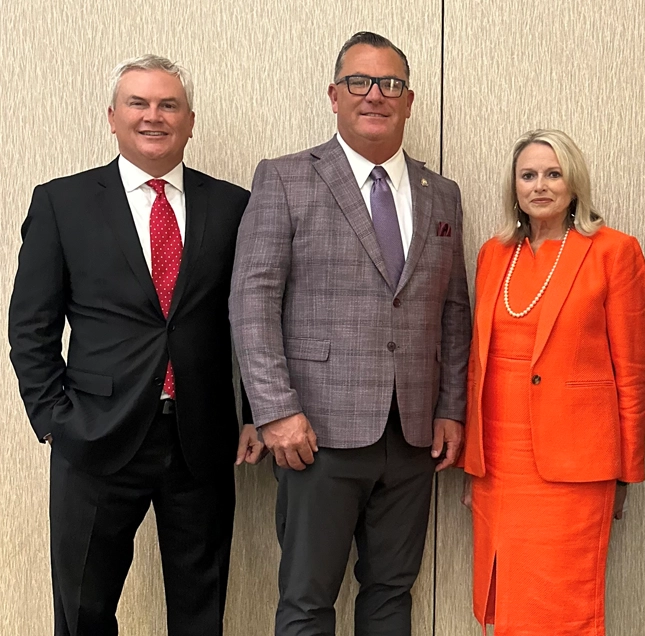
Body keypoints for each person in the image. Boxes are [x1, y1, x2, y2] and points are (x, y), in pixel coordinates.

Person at [7, 55, 264, 636]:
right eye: (139, 104)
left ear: (190, 121)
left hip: (200, 438)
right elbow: (31, 326)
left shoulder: (233, 206)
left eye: (168, 105)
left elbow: (252, 321)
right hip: (93, 437)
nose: (154, 116)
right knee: (84, 610)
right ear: (113, 117)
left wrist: (253, 414)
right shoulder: (61, 203)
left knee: (201, 612)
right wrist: (54, 419)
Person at [229, 31, 472, 636]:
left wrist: (450, 408)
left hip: (412, 435)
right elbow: (252, 301)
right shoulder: (285, 178)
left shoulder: (441, 193)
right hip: (316, 433)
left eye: (390, 84)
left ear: (410, 100)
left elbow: (453, 310)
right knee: (308, 602)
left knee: (392, 593)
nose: (375, 95)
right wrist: (276, 411)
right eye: (359, 82)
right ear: (334, 95)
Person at [457, 129, 645, 636]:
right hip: (499, 463)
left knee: (559, 609)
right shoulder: (493, 255)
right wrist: (472, 462)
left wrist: (625, 471)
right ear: (514, 186)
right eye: (528, 175)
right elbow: (478, 365)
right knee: (504, 606)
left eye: (552, 173)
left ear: (573, 182)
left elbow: (632, 371)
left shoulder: (614, 251)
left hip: (573, 470)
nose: (539, 185)